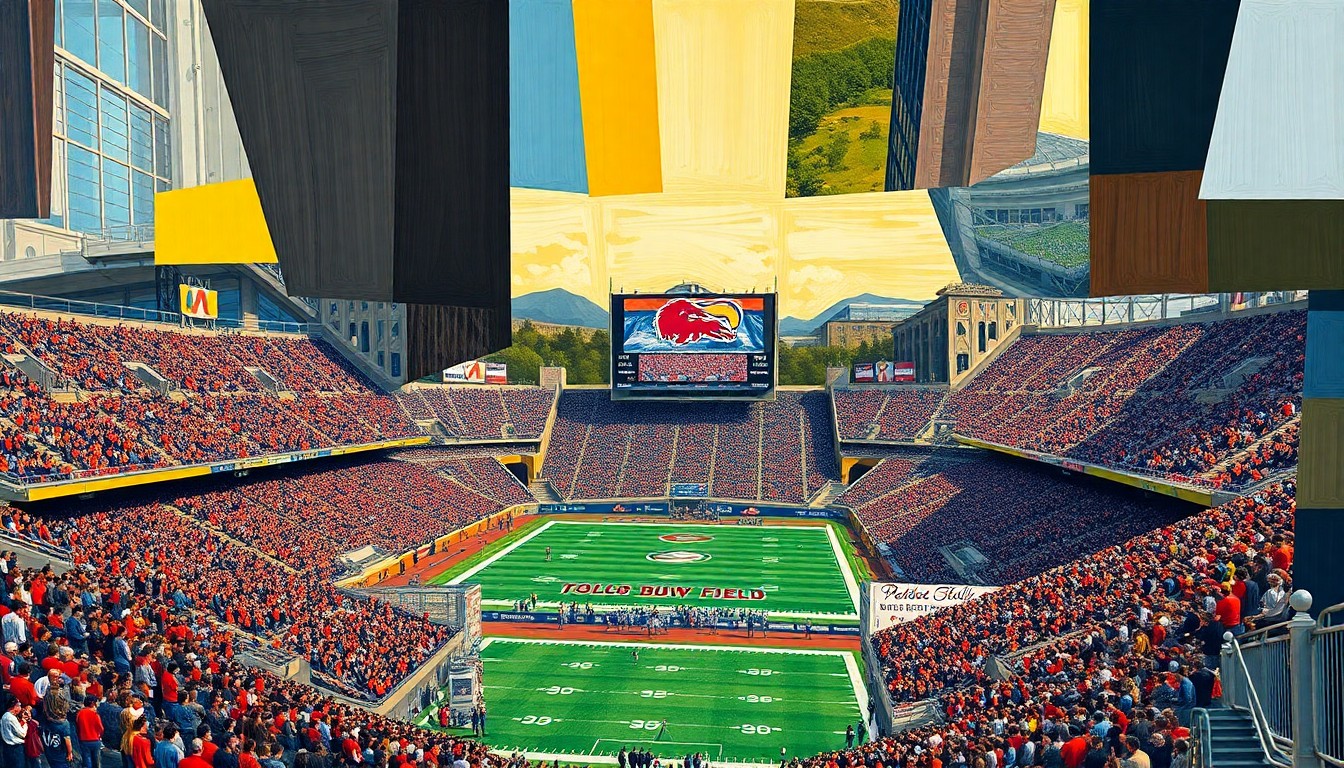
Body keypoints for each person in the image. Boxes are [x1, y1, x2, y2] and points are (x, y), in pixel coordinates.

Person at [40, 694, 74, 768]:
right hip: (59, 756)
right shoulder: (64, 724)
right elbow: (67, 740)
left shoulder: (44, 719)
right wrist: (70, 753)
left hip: (48, 753)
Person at [75, 696, 103, 768]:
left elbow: (77, 727)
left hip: (83, 741)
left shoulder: (79, 713)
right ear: (93, 703)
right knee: (96, 762)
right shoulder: (95, 714)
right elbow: (101, 728)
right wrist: (99, 736)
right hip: (95, 740)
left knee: (87, 761)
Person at [2, 698, 27, 768]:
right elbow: (22, 734)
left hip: (7, 747)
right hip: (16, 748)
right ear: (14, 706)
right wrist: (24, 723)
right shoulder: (11, 718)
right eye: (19, 705)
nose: (20, 708)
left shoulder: (5, 716)